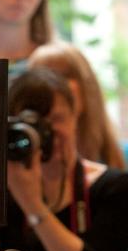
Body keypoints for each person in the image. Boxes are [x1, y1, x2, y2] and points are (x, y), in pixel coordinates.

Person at [0, 69, 128, 251]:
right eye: (35, 122)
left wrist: (34, 206)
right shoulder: (6, 194)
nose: (49, 132)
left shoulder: (113, 187)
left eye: (57, 119)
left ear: (76, 117)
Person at [27, 41, 125, 170]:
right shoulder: (23, 161)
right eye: (44, 78)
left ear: (87, 87)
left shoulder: (122, 156)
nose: (54, 87)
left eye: (64, 76)